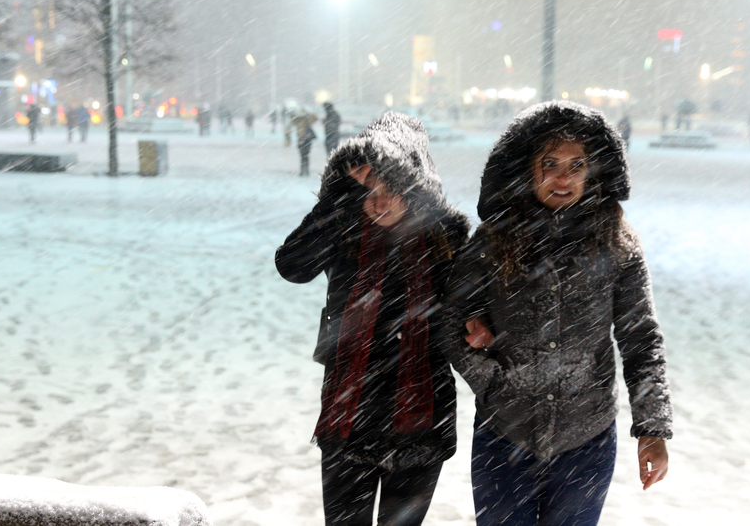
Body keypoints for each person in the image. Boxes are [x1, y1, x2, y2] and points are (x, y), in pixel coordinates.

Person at [443, 101, 673, 526]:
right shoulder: (491, 240)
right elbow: (450, 318)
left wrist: (652, 428)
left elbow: (641, 339)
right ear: (528, 170)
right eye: (549, 164)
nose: (563, 178)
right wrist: (491, 380)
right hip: (503, 436)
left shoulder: (618, 244)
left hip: (586, 440)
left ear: (593, 172)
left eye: (576, 165)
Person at [276, 111, 470, 526]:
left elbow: (473, 309)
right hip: (349, 416)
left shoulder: (445, 239)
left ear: (415, 188)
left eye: (392, 188)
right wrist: (337, 200)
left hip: (421, 420)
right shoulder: (344, 230)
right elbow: (292, 265)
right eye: (369, 190)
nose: (379, 202)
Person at [286, 108, 318, 177]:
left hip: (304, 139)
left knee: (304, 155)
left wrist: (307, 113)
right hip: (304, 139)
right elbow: (315, 118)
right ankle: (305, 170)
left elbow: (315, 118)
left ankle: (304, 170)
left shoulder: (305, 119)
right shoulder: (299, 120)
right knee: (304, 155)